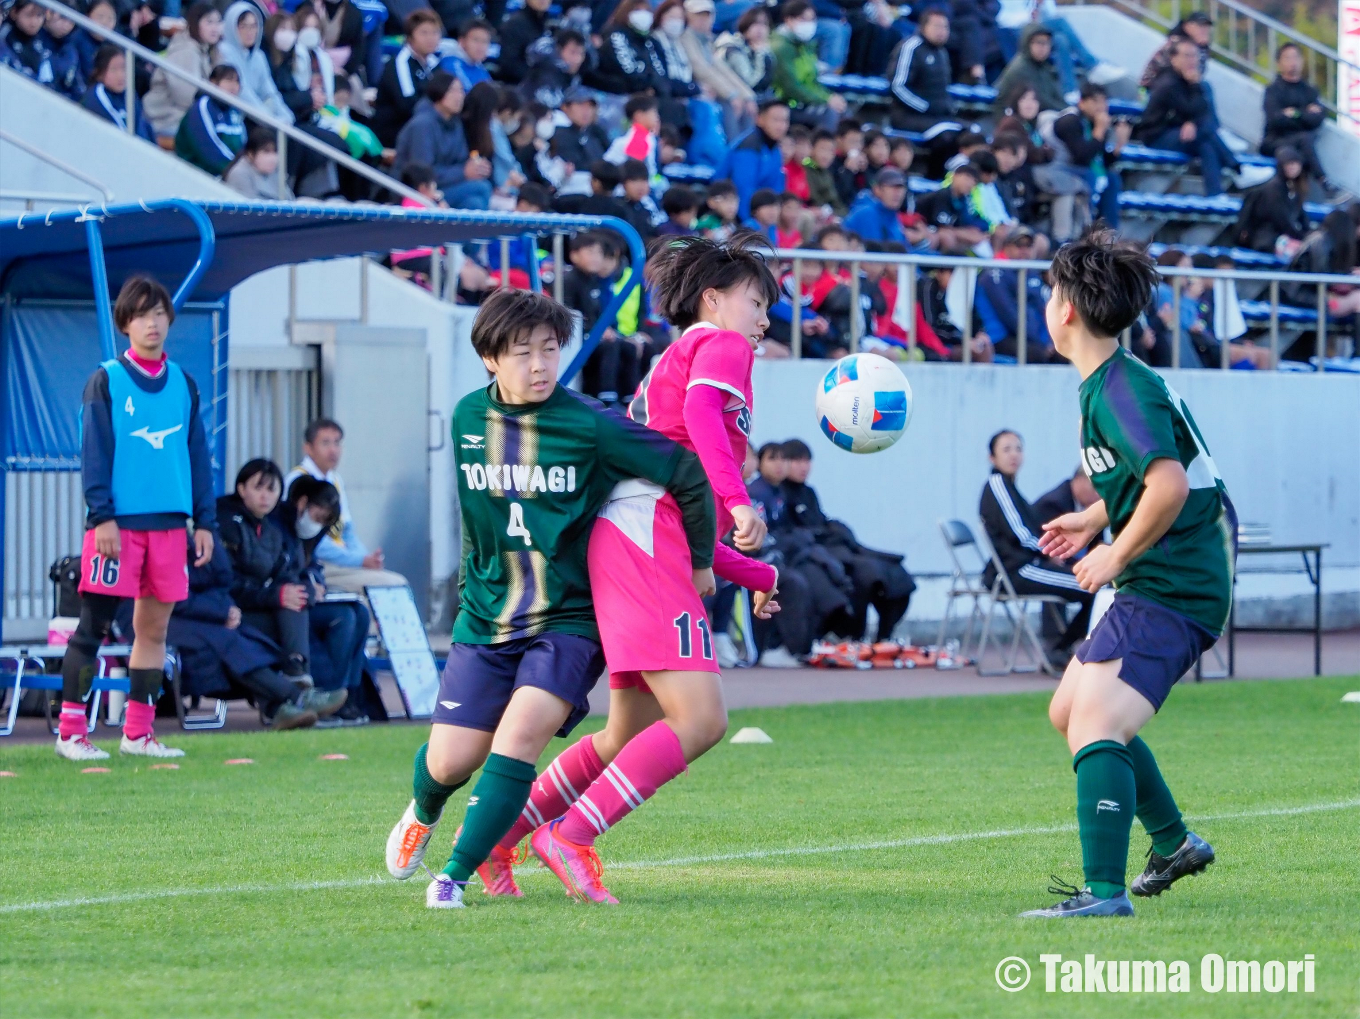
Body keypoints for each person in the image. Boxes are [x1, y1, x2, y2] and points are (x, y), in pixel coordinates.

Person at [382, 288, 723, 909]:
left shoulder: (589, 424)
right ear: (490, 357)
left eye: (550, 350)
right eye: (523, 353)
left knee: (523, 735)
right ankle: (425, 809)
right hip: (485, 618)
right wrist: (469, 591)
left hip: (567, 620)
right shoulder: (465, 419)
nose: (540, 365)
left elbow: (685, 471)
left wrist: (702, 563)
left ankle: (453, 878)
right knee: (453, 759)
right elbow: (477, 521)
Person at [498, 237, 781, 905]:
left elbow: (691, 520)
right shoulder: (721, 345)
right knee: (703, 718)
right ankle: (572, 835)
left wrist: (757, 575)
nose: (764, 318)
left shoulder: (675, 357)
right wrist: (740, 500)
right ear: (714, 300)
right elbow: (706, 424)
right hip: (646, 535)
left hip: (633, 533)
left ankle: (500, 836)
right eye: (756, 300)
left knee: (626, 730)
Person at [1022, 229, 1234, 918]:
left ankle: (1105, 894)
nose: (1047, 304)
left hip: (1172, 584)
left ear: (1068, 312)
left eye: (1051, 292)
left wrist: (1114, 552)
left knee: (1095, 722)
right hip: (1162, 578)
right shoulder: (1112, 381)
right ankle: (1172, 843)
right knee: (1069, 711)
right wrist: (1091, 522)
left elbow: (1167, 484)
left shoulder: (1119, 391)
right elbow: (1139, 477)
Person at [55, 276, 216, 762]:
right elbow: (95, 456)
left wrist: (204, 520)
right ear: (125, 323)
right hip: (117, 529)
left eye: (159, 313)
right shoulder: (106, 380)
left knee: (154, 632)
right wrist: (101, 516)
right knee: (93, 628)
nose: (152, 322)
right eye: (142, 314)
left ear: (169, 318)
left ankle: (138, 734)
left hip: (170, 528)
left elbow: (197, 456)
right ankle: (70, 734)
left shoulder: (185, 384)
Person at [161, 527, 346, 730]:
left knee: (248, 636)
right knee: (227, 642)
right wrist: (221, 611)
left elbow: (224, 581)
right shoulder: (161, 537)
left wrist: (227, 608)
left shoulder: (203, 533)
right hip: (162, 617)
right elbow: (174, 595)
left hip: (200, 614)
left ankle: (279, 709)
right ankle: (298, 697)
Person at [779, 439, 913, 642]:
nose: (803, 467)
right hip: (816, 555)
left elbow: (821, 520)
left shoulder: (809, 492)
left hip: (837, 548)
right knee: (866, 575)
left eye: (807, 461)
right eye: (796, 461)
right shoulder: (779, 494)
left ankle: (884, 635)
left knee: (894, 575)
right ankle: (853, 635)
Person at [978, 429, 1093, 660]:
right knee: (1092, 586)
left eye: (1018, 449)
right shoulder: (997, 484)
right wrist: (1051, 551)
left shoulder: (1010, 487)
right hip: (1017, 570)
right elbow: (1021, 535)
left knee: (1094, 585)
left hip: (1027, 566)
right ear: (992, 458)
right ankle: (1060, 650)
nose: (1014, 455)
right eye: (1006, 449)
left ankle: (1063, 648)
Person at [277, 474, 373, 726]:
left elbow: (311, 566)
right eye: (317, 517)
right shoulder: (279, 525)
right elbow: (282, 569)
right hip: (284, 605)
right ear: (302, 503)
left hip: (304, 600)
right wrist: (307, 584)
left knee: (360, 613)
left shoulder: (308, 534)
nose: (316, 525)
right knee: (343, 618)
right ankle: (328, 692)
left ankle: (347, 693)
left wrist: (314, 580)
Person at [284, 418, 409, 596]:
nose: (333, 450)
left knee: (380, 586)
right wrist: (359, 560)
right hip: (317, 564)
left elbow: (347, 531)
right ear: (308, 448)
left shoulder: (335, 480)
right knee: (392, 586)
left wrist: (367, 559)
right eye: (325, 443)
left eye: (337, 443)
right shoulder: (299, 481)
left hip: (343, 563)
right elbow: (311, 540)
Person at [1134, 39, 1267, 197]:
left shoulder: (1187, 81)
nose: (1192, 61)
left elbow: (1200, 113)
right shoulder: (1168, 83)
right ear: (1174, 59)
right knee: (1204, 131)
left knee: (1206, 144)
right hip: (1156, 136)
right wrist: (1195, 88)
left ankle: (1216, 193)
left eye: (1195, 56)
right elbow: (1188, 109)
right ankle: (1238, 170)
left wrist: (1191, 122)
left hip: (1178, 132)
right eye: (1187, 56)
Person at [393, 71, 493, 211]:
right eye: (454, 91)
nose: (460, 97)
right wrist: (463, 172)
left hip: (445, 187)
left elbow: (461, 160)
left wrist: (476, 167)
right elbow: (422, 174)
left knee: (474, 203)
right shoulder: (422, 125)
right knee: (482, 188)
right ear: (440, 92)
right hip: (416, 193)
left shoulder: (455, 124)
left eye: (461, 91)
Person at [887, 9, 964, 177]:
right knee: (946, 137)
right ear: (923, 26)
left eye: (945, 27)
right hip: (908, 115)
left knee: (969, 134)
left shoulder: (943, 53)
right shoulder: (910, 47)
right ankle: (935, 179)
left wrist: (947, 106)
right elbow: (898, 86)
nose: (942, 31)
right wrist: (926, 107)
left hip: (936, 117)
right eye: (937, 26)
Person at [1049, 82, 1128, 233]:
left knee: (1112, 179)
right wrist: (1099, 130)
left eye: (1104, 101)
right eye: (1095, 101)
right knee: (1090, 176)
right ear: (1082, 103)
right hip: (1059, 167)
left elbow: (1103, 161)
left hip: (1083, 170)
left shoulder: (1095, 123)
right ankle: (1087, 230)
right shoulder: (1070, 120)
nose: (1101, 107)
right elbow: (1081, 156)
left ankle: (1108, 232)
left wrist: (1119, 145)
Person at [145, 1, 224, 139]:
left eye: (218, 22)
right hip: (166, 118)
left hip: (185, 117)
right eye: (209, 22)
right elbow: (185, 97)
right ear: (195, 23)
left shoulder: (209, 51)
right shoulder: (186, 50)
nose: (215, 28)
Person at [975, 228, 1057, 361]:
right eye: (1019, 245)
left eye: (1028, 246)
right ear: (1006, 247)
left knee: (1062, 355)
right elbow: (1010, 316)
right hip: (1000, 337)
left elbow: (1043, 310)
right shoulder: (993, 275)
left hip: (1030, 336)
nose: (1024, 251)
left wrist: (1051, 341)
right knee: (1038, 354)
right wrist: (1040, 343)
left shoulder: (1032, 274)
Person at [769, 0, 846, 130]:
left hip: (805, 101)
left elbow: (812, 81)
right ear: (789, 20)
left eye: (812, 19)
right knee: (830, 113)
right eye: (803, 19)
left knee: (844, 110)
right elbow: (791, 86)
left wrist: (829, 96)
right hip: (787, 103)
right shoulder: (781, 47)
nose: (809, 24)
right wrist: (825, 100)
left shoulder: (806, 45)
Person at [371, 8, 442, 146]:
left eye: (435, 33)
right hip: (396, 133)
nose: (431, 38)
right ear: (410, 37)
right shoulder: (399, 62)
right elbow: (408, 106)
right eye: (424, 33)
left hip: (427, 128)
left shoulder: (435, 64)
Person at [1261, 42, 1327, 184]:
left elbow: (1317, 119)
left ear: (1302, 61)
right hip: (1275, 141)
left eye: (1296, 57)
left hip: (1301, 144)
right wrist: (1304, 115)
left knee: (1302, 146)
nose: (1293, 62)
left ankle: (1301, 197)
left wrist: (1295, 114)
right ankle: (1323, 181)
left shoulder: (1310, 91)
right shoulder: (1273, 91)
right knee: (1299, 144)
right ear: (1279, 63)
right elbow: (1275, 120)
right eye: (1287, 58)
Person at [219, 1, 293, 123]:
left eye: (254, 26)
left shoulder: (258, 56)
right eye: (244, 26)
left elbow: (269, 91)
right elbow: (243, 93)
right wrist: (270, 119)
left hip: (263, 117)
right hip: (237, 117)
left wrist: (286, 116)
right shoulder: (223, 53)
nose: (250, 31)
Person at [716, 98, 789, 218]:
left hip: (761, 215)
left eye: (785, 121)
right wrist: (752, 230)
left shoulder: (775, 150)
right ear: (759, 119)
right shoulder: (748, 148)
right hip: (733, 215)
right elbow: (743, 193)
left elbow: (776, 191)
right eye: (776, 120)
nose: (781, 126)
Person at [1231, 147, 1310, 255]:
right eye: (1288, 164)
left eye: (1295, 164)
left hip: (1282, 237)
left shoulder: (1295, 189)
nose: (1292, 167)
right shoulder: (1274, 188)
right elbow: (1280, 219)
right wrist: (1301, 237)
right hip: (1267, 240)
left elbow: (1302, 216)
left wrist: (1308, 235)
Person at [174, 64, 248, 176]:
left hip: (231, 172)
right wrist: (234, 170)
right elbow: (207, 148)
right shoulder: (202, 106)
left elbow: (242, 145)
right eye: (228, 80)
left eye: (237, 81)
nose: (233, 86)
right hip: (198, 172)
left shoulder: (235, 111)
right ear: (213, 82)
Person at [80, 43, 157, 143]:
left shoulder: (129, 94)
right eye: (114, 70)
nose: (121, 75)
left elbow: (142, 126)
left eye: (123, 68)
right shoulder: (97, 96)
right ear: (100, 73)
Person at [590, 0, 669, 96]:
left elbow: (661, 73)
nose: (643, 14)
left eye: (647, 10)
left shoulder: (650, 41)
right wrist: (646, 85)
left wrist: (655, 87)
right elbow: (628, 72)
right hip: (616, 94)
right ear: (626, 12)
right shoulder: (616, 35)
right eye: (637, 10)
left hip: (647, 94)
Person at [990, 22, 1064, 115]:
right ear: (1027, 43)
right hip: (1012, 119)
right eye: (1038, 43)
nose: (1043, 48)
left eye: (1046, 43)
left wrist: (1069, 108)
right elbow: (1041, 101)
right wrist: (1064, 111)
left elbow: (1056, 95)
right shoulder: (1021, 68)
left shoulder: (1044, 67)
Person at [520, 28, 586, 110]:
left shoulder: (573, 79)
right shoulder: (544, 70)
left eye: (581, 54)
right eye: (573, 52)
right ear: (559, 50)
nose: (577, 59)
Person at [715, 4, 772, 97]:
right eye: (755, 23)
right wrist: (760, 55)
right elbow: (751, 83)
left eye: (764, 24)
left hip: (757, 97)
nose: (760, 29)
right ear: (746, 26)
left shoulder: (762, 48)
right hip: (734, 97)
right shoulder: (733, 48)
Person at [844, 167, 910, 245]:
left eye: (900, 188)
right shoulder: (864, 214)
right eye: (892, 188)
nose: (897, 193)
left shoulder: (895, 219)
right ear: (877, 190)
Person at [494, 0, 552, 86]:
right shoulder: (514, 25)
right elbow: (508, 64)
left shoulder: (548, 26)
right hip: (517, 88)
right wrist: (537, 78)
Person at [226, 126, 292, 199]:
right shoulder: (239, 173)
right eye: (266, 151)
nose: (273, 158)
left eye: (275, 151)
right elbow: (250, 207)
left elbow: (289, 199)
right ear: (250, 154)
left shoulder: (275, 173)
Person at [441, 17, 493, 92]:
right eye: (476, 40)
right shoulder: (452, 64)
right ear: (462, 42)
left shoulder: (479, 68)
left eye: (485, 41)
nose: (480, 46)